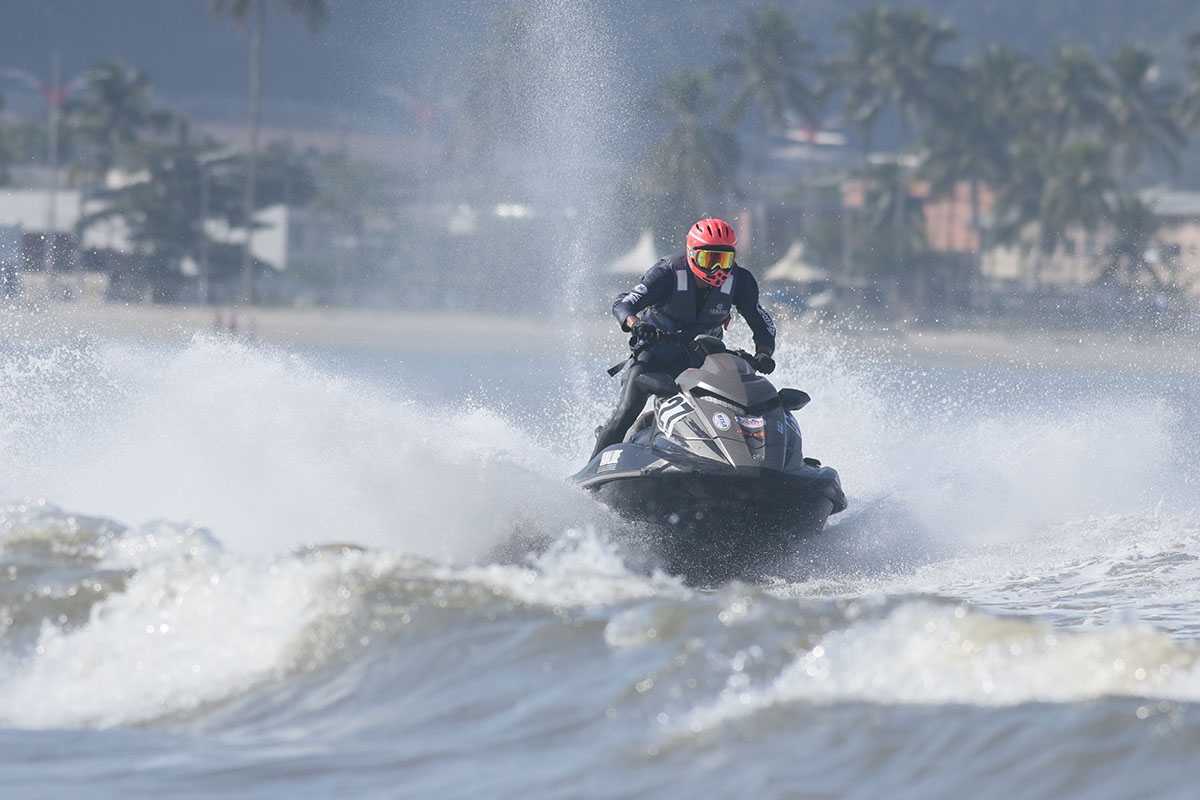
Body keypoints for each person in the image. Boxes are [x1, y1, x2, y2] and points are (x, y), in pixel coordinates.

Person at [589, 217, 777, 460]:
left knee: (731, 407)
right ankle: (591, 470)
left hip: (702, 361)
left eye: (724, 260)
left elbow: (762, 322)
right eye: (709, 260)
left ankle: (736, 461)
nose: (717, 270)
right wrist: (636, 325)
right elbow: (623, 304)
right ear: (691, 254)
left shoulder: (740, 280)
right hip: (654, 356)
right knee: (626, 410)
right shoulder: (667, 272)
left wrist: (763, 353)